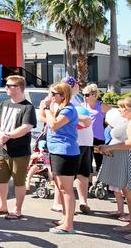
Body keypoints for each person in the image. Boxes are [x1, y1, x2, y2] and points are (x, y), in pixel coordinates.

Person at [0, 75, 36, 220]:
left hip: (19, 152)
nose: (6, 88)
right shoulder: (4, 103)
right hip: (1, 150)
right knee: (0, 180)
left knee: (19, 181)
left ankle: (17, 209)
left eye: (8, 86)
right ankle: (3, 205)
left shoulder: (28, 107)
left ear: (17, 88)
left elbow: (26, 127)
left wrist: (7, 135)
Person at [39, 82, 79, 234]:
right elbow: (43, 118)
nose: (51, 96)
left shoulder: (68, 110)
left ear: (63, 96)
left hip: (66, 152)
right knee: (60, 187)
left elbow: (54, 125)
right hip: (56, 150)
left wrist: (48, 108)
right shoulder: (60, 109)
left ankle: (68, 225)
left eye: (53, 94)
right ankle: (65, 218)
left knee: (66, 189)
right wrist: (45, 107)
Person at [96, 97, 131, 239]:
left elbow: (129, 143)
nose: (120, 110)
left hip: (127, 159)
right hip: (124, 160)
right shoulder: (127, 121)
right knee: (127, 191)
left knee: (128, 191)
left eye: (124, 108)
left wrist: (110, 147)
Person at [59, 76, 93, 214]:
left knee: (83, 174)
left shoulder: (78, 99)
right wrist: (82, 119)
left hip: (85, 142)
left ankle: (83, 201)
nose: (78, 86)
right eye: (76, 84)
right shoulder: (65, 101)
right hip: (74, 143)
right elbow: (63, 116)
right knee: (67, 176)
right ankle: (63, 205)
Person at [82, 84, 111, 174]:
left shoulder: (101, 105)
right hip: (86, 138)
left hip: (98, 138)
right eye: (83, 95)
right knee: (86, 163)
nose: (84, 97)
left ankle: (101, 183)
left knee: (100, 162)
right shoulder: (82, 106)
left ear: (94, 95)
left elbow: (114, 116)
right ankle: (89, 184)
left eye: (87, 95)